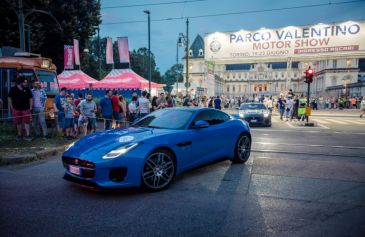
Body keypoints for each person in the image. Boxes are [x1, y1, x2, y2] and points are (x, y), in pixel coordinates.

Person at [8, 76, 33, 141]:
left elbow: (31, 98)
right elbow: (9, 98)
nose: (26, 83)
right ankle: (19, 135)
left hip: (26, 109)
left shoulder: (27, 89)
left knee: (27, 122)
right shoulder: (13, 89)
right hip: (16, 109)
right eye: (25, 82)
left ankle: (28, 135)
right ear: (21, 82)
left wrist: (30, 107)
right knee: (18, 122)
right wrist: (11, 107)